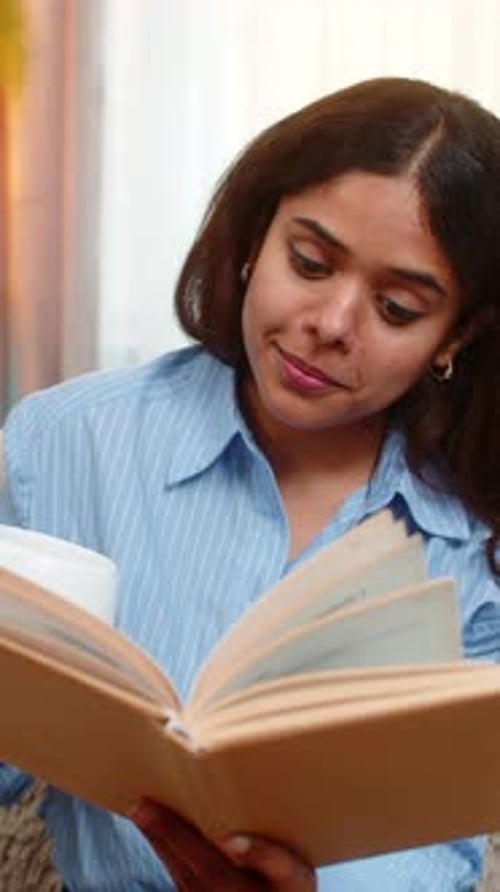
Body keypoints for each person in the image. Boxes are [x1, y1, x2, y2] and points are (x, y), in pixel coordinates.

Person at [0, 75, 499, 891]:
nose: (331, 325)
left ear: (457, 335)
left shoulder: (475, 538)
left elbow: (436, 854)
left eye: (398, 308)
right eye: (309, 261)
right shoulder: (71, 442)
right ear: (253, 237)